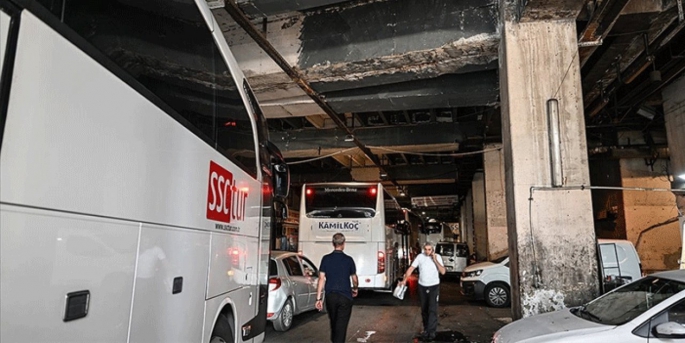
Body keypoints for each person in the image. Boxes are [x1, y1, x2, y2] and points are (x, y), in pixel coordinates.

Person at [315, 233, 359, 343]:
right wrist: (355, 288)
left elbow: (321, 279)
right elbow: (354, 278)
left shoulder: (326, 259)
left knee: (334, 324)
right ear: (343, 244)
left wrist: (318, 299)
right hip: (345, 297)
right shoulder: (349, 260)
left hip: (331, 297)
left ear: (333, 243)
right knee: (341, 327)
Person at [399, 241, 446, 341]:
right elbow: (411, 268)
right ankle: (426, 330)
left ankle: (431, 332)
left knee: (432, 309)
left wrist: (435, 260)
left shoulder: (437, 257)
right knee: (424, 309)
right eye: (426, 249)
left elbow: (443, 271)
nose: (427, 251)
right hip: (422, 286)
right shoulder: (420, 257)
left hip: (434, 286)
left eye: (429, 249)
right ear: (423, 249)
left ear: (432, 250)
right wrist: (404, 280)